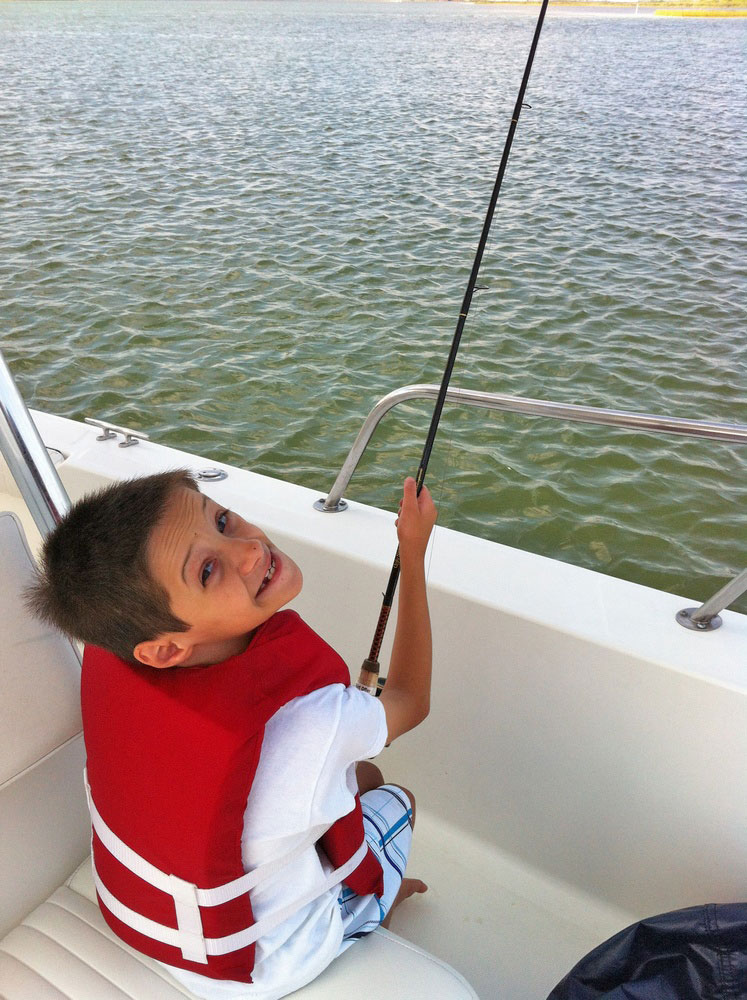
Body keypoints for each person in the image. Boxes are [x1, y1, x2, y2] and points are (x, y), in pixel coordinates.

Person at [26, 469, 437, 1000]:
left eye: (222, 520)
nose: (247, 548)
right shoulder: (319, 722)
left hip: (141, 917)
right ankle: (371, 909)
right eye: (207, 571)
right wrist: (415, 551)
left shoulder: (118, 652)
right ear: (166, 648)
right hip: (267, 963)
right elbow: (410, 699)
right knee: (395, 794)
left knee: (364, 773)